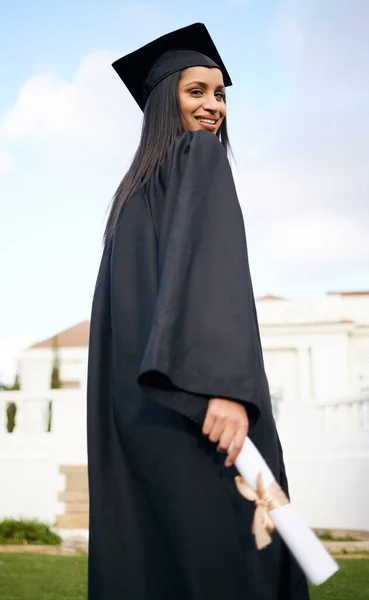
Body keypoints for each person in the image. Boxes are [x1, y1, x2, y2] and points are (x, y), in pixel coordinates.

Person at [87, 22, 309, 600]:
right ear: (166, 101)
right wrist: (226, 389)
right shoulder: (198, 161)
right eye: (197, 92)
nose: (213, 107)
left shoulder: (132, 194)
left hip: (141, 416)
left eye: (219, 95)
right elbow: (213, 275)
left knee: (159, 563)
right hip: (203, 410)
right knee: (238, 565)